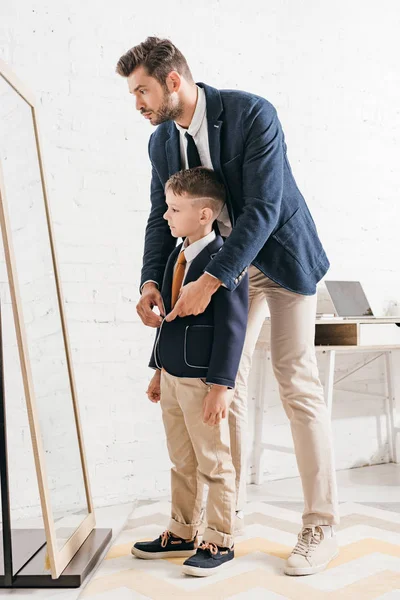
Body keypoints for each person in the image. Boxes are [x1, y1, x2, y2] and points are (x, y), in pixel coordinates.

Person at [117, 37, 339, 576]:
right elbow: (158, 217)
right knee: (224, 387)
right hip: (225, 271)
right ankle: (223, 524)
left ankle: (321, 524)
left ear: (173, 82)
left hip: (279, 262)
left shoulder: (251, 114)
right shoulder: (162, 144)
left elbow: (264, 207)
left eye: (142, 90)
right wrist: (152, 280)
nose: (138, 103)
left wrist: (212, 279)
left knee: (296, 381)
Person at [131, 167, 248, 577]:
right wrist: (158, 370)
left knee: (213, 462)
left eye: (174, 208)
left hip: (203, 382)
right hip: (174, 377)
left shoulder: (225, 262)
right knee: (181, 460)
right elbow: (169, 321)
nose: (166, 216)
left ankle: (218, 539)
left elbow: (232, 330)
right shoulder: (175, 257)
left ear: (204, 215)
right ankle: (181, 530)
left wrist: (221, 386)